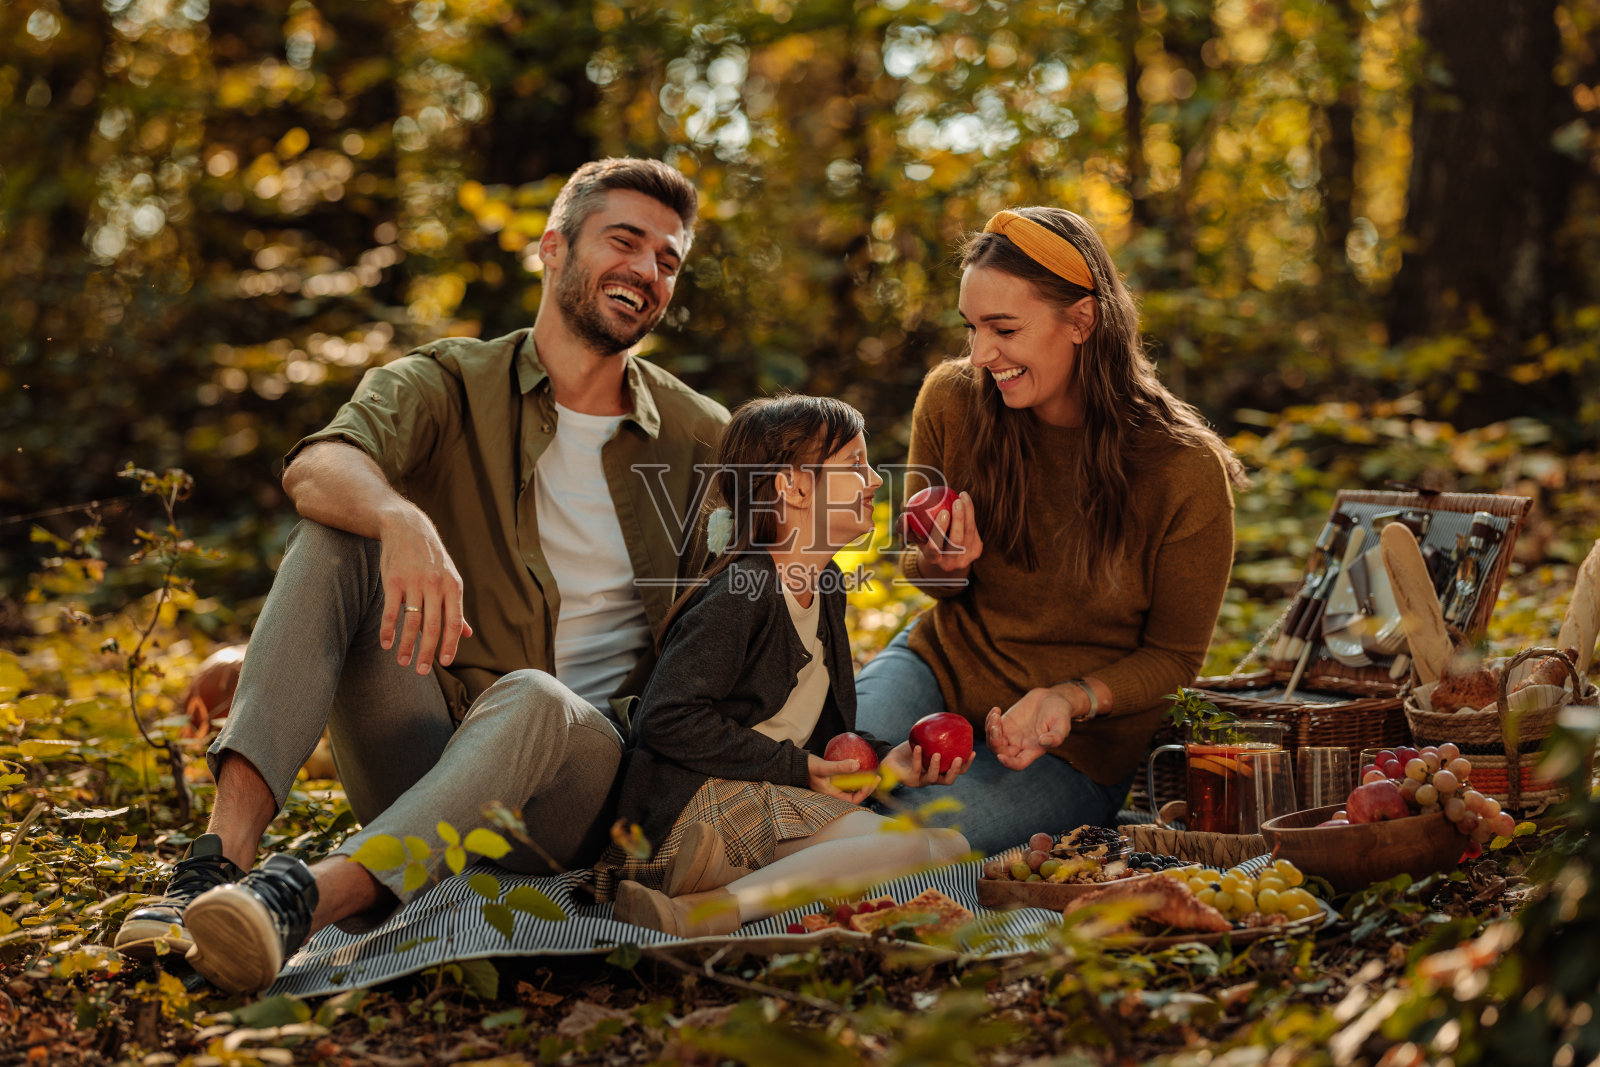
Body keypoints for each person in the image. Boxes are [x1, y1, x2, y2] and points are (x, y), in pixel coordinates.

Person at [112, 158, 730, 993]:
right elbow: (319, 466)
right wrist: (400, 520)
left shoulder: (703, 435)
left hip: (583, 796)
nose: (648, 270)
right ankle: (212, 872)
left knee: (533, 698)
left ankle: (302, 903)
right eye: (625, 241)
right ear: (553, 247)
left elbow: (761, 601)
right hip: (431, 753)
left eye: (667, 259)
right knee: (339, 531)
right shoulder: (452, 382)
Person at [855, 207, 1248, 857]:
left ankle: (743, 895)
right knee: (830, 768)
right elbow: (923, 576)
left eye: (1004, 328)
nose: (980, 354)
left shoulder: (1183, 468)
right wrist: (944, 567)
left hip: (1075, 745)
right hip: (941, 667)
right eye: (972, 327)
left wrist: (1073, 698)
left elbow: (1175, 658)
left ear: (1082, 321)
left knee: (905, 833)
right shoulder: (952, 400)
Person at [595, 395, 972, 937]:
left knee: (950, 846)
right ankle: (703, 909)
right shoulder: (741, 593)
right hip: (689, 811)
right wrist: (799, 771)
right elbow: (666, 718)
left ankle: (716, 879)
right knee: (907, 846)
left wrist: (886, 767)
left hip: (762, 797)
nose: (873, 481)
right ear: (793, 488)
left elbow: (808, 738)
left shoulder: (827, 585)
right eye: (854, 465)